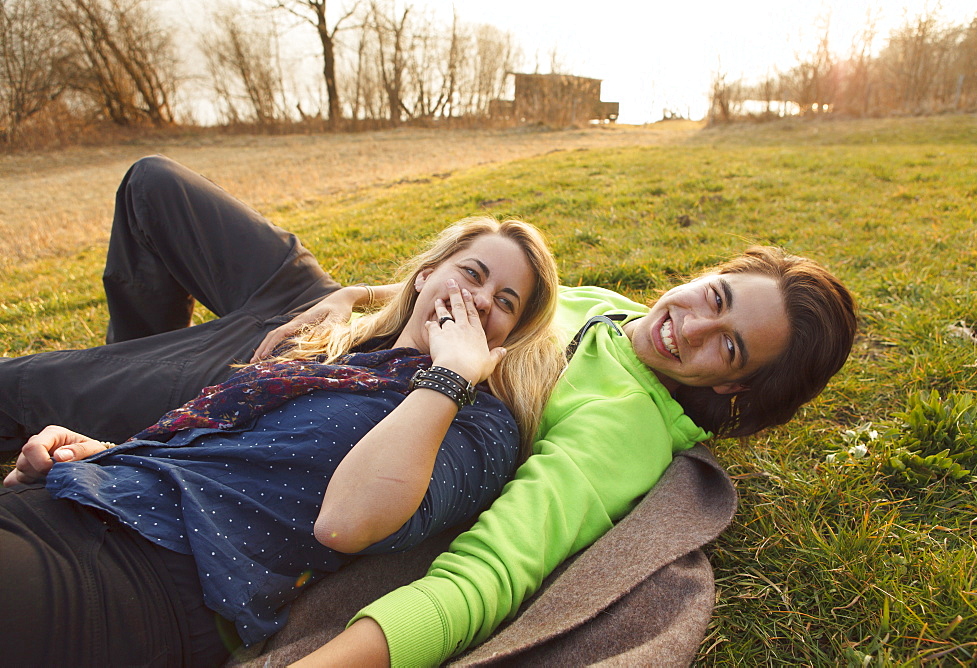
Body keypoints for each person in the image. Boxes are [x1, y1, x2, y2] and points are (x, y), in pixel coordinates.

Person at [0, 157, 857, 666]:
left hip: (350, 399)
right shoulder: (616, 307)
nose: (692, 322)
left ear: (734, 389)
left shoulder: (619, 432)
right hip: (347, 323)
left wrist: (347, 656)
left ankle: (145, 408)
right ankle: (151, 427)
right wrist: (364, 297)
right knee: (155, 187)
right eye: (714, 295)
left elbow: (493, 572)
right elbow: (489, 287)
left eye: (728, 346)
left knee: (21, 390)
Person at [0, 167, 564, 666]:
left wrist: (452, 377)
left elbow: (346, 522)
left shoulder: (478, 424)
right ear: (425, 275)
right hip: (87, 500)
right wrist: (102, 455)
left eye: (507, 302)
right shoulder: (348, 353)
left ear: (509, 338)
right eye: (472, 273)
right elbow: (226, 454)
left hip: (147, 575)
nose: (483, 299)